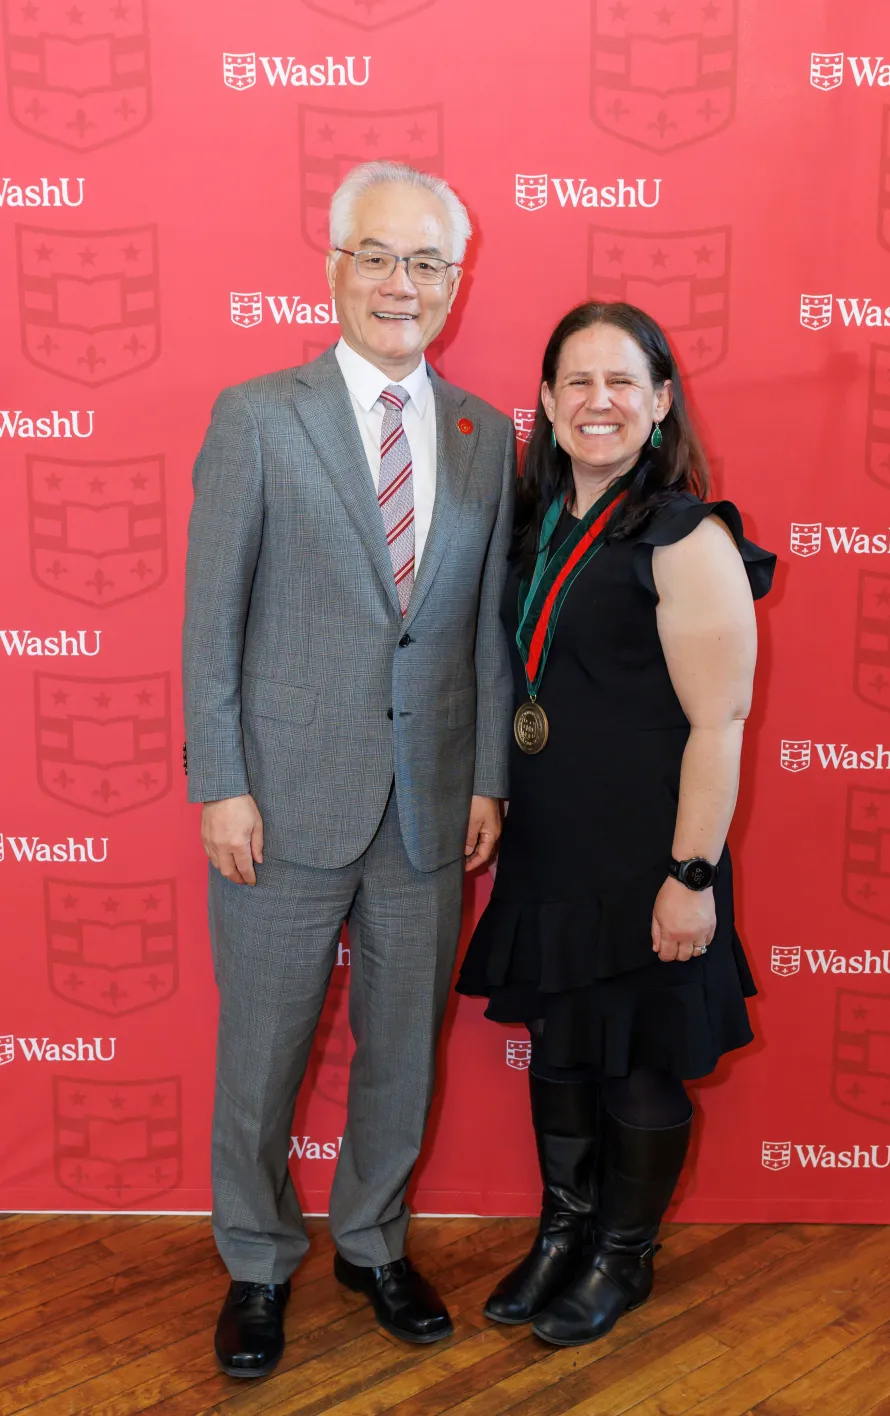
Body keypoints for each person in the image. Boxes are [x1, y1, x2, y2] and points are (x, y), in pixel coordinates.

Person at [183, 161, 516, 1378]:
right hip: (277, 803)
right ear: (332, 267)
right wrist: (218, 779)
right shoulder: (256, 417)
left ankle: (374, 1242)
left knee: (402, 1045)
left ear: (454, 284)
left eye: (426, 263)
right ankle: (258, 1262)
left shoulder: (484, 436)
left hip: (430, 808)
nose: (399, 283)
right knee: (262, 1049)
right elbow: (208, 619)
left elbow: (479, 627)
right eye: (376, 255)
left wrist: (485, 776)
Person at [457, 301, 775, 1348]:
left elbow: (717, 723)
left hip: (648, 850)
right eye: (576, 384)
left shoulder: (684, 533)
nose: (599, 402)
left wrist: (689, 874)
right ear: (545, 405)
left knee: (637, 1058)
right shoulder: (538, 519)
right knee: (559, 1046)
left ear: (660, 402)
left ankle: (621, 1260)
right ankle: (564, 1230)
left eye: (621, 383)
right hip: (555, 841)